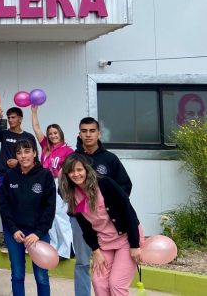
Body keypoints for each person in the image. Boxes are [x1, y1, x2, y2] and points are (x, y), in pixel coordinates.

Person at [59, 154, 143, 296]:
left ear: (86, 169)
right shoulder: (73, 195)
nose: (76, 174)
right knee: (99, 283)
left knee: (116, 285)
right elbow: (86, 228)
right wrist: (96, 251)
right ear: (67, 174)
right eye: (71, 171)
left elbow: (128, 212)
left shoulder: (105, 184)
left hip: (126, 239)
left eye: (79, 169)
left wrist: (135, 245)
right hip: (104, 242)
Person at [72, 117, 133, 296]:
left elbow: (125, 186)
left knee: (113, 279)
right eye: (84, 131)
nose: (88, 134)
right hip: (83, 220)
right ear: (79, 134)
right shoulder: (74, 159)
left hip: (112, 224)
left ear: (98, 134)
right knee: (84, 262)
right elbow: (65, 188)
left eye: (92, 131)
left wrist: (110, 207)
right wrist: (82, 207)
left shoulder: (110, 159)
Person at [0, 139, 55, 296]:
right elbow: (4, 206)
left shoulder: (45, 175)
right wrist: (13, 229)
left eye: (27, 151)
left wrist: (38, 233)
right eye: (19, 152)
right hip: (15, 233)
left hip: (38, 234)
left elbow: (50, 208)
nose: (23, 156)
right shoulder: (10, 176)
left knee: (42, 276)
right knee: (17, 275)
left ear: (34, 153)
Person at [30, 106, 74, 259]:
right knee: (49, 215)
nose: (53, 135)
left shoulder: (68, 150)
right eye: (50, 134)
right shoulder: (45, 147)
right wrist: (34, 112)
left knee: (61, 216)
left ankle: (66, 249)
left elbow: (71, 170)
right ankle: (54, 247)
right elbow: (36, 128)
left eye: (55, 133)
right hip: (45, 183)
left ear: (60, 133)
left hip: (59, 184)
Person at [0, 106, 36, 191]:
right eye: (9, 118)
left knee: (21, 202)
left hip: (22, 175)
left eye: (13, 117)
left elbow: (35, 159)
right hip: (4, 175)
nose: (10, 120)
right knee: (4, 203)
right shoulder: (4, 134)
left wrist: (18, 163)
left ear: (20, 119)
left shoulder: (29, 137)